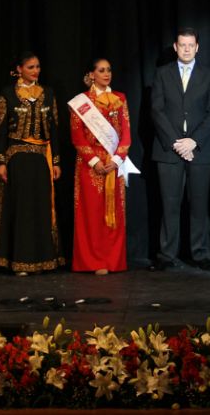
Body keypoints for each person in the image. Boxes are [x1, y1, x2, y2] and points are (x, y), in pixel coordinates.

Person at [0, 52, 64, 276]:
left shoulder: (47, 94)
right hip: (17, 158)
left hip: (41, 158)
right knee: (21, 209)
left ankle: (43, 260)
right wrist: (0, 162)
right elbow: (0, 131)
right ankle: (19, 260)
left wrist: (56, 161)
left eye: (38, 67)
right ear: (19, 69)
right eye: (30, 67)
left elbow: (55, 130)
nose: (35, 71)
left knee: (40, 208)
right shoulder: (8, 94)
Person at [150, 27, 210, 272]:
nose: (187, 49)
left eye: (191, 45)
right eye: (183, 45)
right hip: (168, 150)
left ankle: (200, 254)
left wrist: (193, 141)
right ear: (175, 47)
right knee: (169, 204)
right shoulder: (161, 74)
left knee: (199, 205)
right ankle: (167, 255)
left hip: (200, 150)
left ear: (197, 47)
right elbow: (156, 111)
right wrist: (177, 143)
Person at [69, 58, 131, 275]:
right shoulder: (82, 102)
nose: (106, 74)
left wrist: (116, 160)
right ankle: (92, 261)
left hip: (113, 164)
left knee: (114, 214)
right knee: (92, 214)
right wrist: (95, 162)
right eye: (101, 70)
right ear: (91, 75)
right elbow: (77, 137)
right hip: (90, 166)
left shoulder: (120, 99)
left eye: (109, 70)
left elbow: (126, 135)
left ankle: (113, 260)